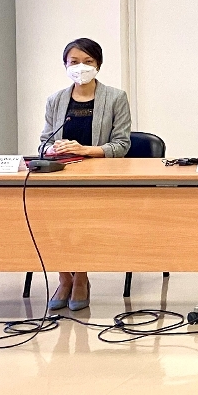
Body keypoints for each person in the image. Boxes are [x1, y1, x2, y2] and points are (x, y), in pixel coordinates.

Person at [38, 38, 132, 312]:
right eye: (74, 62)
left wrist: (85, 150)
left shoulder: (115, 97)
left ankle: (81, 277)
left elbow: (121, 145)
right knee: (51, 220)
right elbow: (43, 142)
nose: (81, 67)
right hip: (60, 174)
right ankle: (63, 278)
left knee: (79, 220)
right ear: (65, 65)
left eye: (88, 62)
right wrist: (52, 148)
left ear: (98, 65)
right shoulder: (55, 100)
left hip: (97, 176)